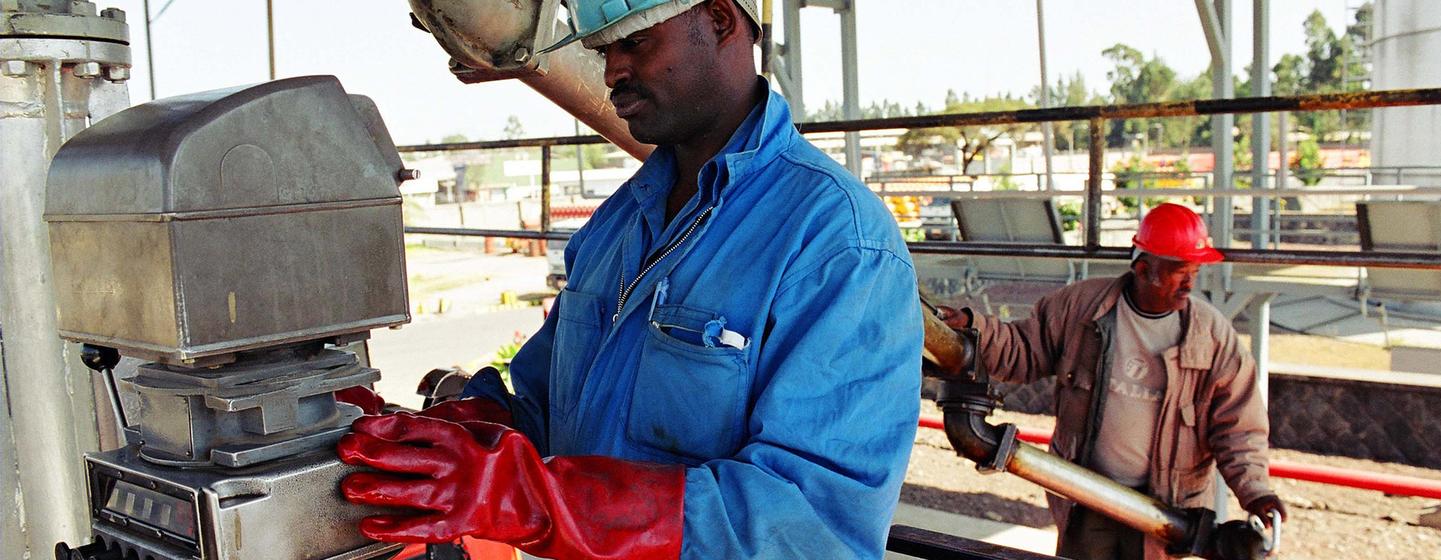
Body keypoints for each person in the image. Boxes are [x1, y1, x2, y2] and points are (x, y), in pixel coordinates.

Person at [336, 0, 923, 558]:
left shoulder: (837, 242)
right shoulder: (618, 223)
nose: (612, 68)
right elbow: (549, 415)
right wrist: (442, 440)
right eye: (605, 48)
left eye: (635, 41)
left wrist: (527, 499)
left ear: (720, 20)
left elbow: (807, 527)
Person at [936, 203, 1286, 560]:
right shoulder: (1081, 307)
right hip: (1089, 496)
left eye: (1194, 271)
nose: (1190, 283)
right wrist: (973, 326)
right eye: (1179, 271)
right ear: (1143, 268)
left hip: (1163, 511)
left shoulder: (1212, 337)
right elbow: (1023, 350)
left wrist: (1255, 491)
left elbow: (1238, 429)